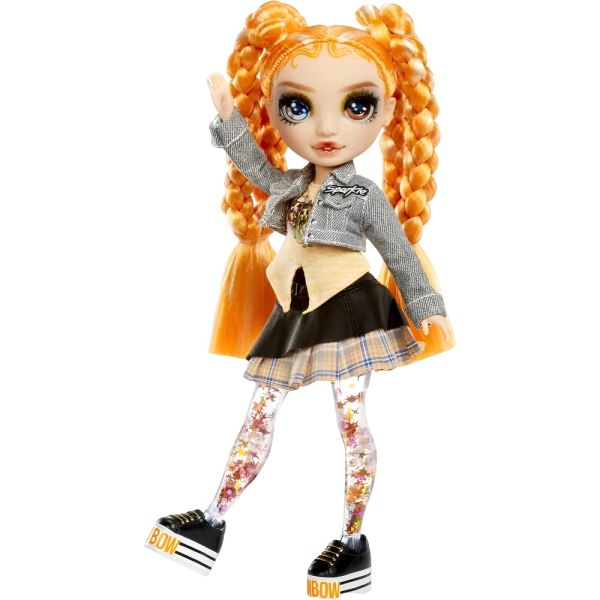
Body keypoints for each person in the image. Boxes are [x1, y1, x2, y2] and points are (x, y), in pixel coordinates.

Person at [145, 2, 454, 596]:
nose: (326, 128)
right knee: (260, 414)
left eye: (357, 105)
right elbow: (257, 170)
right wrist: (229, 116)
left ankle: (353, 540)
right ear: (275, 108)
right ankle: (211, 519)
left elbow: (398, 251)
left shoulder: (363, 195)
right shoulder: (291, 185)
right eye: (297, 107)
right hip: (296, 313)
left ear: (389, 111)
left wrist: (423, 303)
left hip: (351, 311)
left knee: (350, 422)